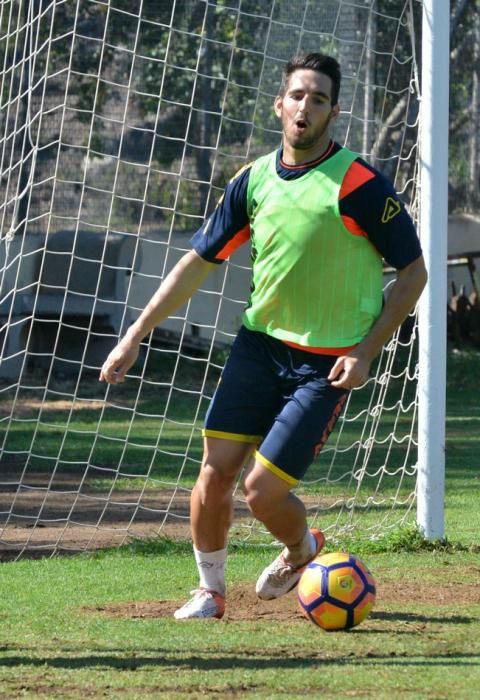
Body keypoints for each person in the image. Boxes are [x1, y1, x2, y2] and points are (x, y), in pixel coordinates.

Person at [100, 53, 427, 620]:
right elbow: (197, 264)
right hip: (259, 348)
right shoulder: (251, 181)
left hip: (325, 364)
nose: (306, 107)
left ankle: (304, 548)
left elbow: (415, 273)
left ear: (334, 112)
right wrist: (135, 334)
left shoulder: (360, 184)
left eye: (319, 99)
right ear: (280, 105)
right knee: (215, 470)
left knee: (262, 492)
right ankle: (210, 591)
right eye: (298, 95)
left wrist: (366, 351)